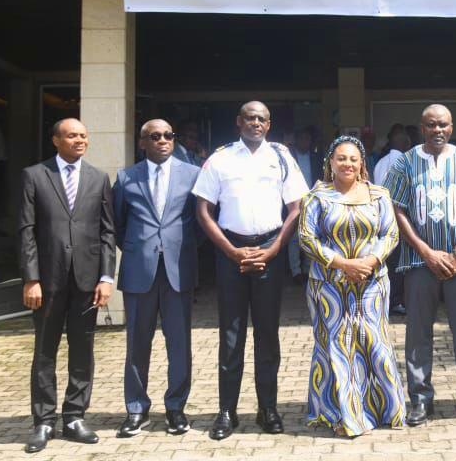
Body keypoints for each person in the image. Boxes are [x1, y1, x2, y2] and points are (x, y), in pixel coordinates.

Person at [193, 101, 309, 439]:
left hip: (269, 250)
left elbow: (296, 208)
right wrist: (230, 251)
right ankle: (226, 412)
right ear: (238, 122)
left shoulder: (282, 157)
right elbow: (203, 210)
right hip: (231, 251)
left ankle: (267, 409)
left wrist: (274, 249)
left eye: (261, 119)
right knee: (231, 336)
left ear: (268, 124)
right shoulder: (221, 158)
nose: (255, 123)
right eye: (249, 118)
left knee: (267, 335)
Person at [383, 104, 456, 426]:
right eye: (431, 125)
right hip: (419, 263)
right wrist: (427, 252)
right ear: (422, 128)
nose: (437, 130)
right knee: (418, 332)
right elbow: (397, 210)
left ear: (451, 126)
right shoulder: (404, 163)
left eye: (443, 124)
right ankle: (420, 398)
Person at [18, 118, 116, 453]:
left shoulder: (99, 178)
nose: (79, 140)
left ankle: (75, 416)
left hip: (87, 281)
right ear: (56, 140)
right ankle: (43, 421)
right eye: (72, 135)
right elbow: (26, 230)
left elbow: (107, 232)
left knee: (82, 349)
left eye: (84, 136)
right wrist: (31, 278)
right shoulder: (35, 175)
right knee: (44, 350)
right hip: (47, 280)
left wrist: (106, 277)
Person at [298, 136, 406, 437]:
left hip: (371, 283)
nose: (347, 163)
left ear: (362, 164)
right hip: (329, 285)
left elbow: (390, 235)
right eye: (341, 158)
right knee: (337, 345)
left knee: (374, 342)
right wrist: (343, 264)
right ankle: (344, 415)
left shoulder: (379, 195)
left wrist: (369, 262)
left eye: (353, 159)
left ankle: (383, 409)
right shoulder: (316, 197)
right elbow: (307, 238)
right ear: (330, 162)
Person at [112, 120, 201, 438]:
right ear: (142, 142)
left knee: (179, 343)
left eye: (168, 135)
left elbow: (201, 221)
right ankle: (136, 408)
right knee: (137, 343)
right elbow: (118, 225)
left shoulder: (193, 174)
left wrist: (181, 248)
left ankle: (176, 407)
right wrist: (140, 248)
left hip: (178, 270)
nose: (163, 140)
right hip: (140, 271)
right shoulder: (126, 178)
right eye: (155, 136)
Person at [374, 130, 412, 315]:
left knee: (387, 260)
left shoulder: (381, 162)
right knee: (397, 262)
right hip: (397, 218)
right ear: (405, 144)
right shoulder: (403, 162)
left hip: (380, 216)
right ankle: (395, 301)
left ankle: (387, 299)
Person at [288, 126, 324, 282]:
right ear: (296, 140)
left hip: (313, 203)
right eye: (302, 138)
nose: (305, 142)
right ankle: (295, 272)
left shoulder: (316, 157)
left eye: (307, 139)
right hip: (292, 202)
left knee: (311, 235)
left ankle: (307, 269)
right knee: (293, 239)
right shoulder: (289, 157)